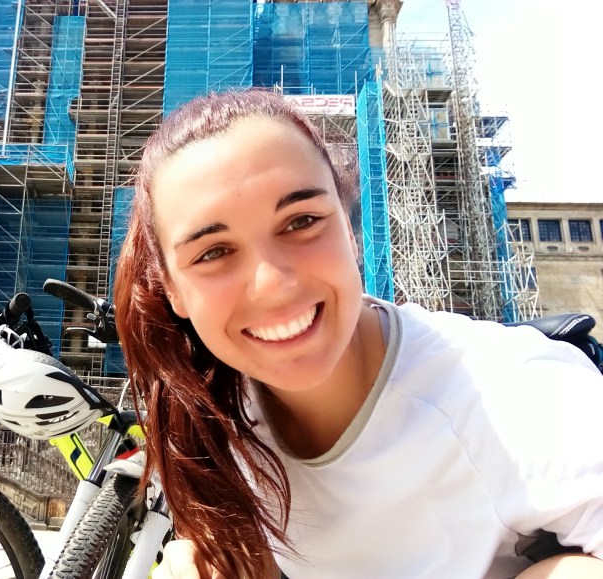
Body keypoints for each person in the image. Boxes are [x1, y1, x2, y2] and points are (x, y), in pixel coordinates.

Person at [113, 88, 603, 578]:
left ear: (349, 232)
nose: (272, 284)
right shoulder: (211, 410)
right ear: (173, 290)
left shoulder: (510, 394)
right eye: (213, 252)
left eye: (302, 221)